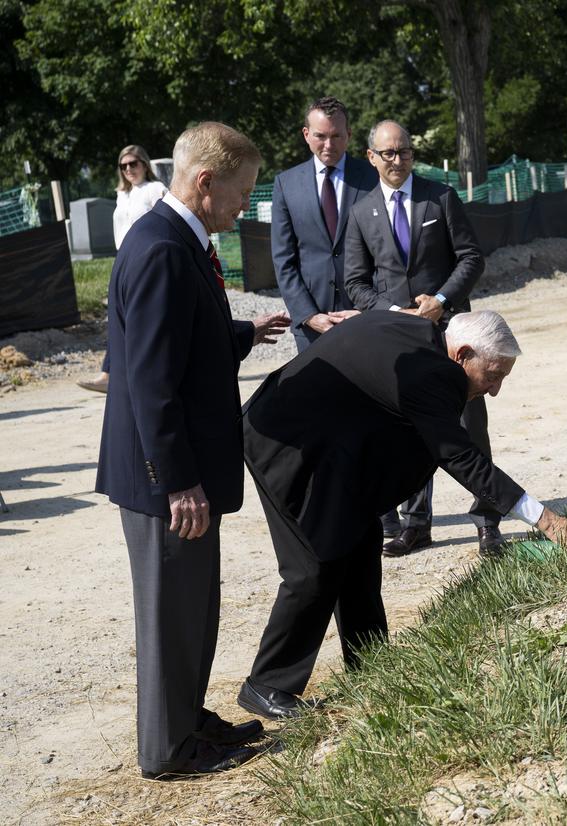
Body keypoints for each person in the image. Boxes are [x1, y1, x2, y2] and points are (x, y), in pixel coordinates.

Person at [236, 309, 567, 720]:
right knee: (315, 565)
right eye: (493, 375)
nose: (494, 390)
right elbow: (460, 456)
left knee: (359, 550)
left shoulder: (424, 335)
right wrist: (545, 520)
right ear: (463, 354)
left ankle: (371, 667)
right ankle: (267, 684)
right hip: (287, 445)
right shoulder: (431, 373)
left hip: (333, 453)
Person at [95, 122, 291, 780]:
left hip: (176, 473)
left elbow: (184, 335)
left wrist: (243, 332)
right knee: (170, 612)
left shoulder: (179, 238)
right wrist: (178, 481)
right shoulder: (160, 249)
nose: (245, 206)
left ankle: (187, 718)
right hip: (163, 480)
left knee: (192, 606)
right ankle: (169, 749)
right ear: (205, 183)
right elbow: (151, 383)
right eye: (241, 193)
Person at [344, 119, 500, 557]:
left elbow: (471, 258)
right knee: (410, 429)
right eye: (388, 153)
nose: (398, 160)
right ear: (371, 157)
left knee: (470, 427)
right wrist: (396, 314)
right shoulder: (360, 212)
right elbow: (356, 282)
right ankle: (416, 524)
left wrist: (443, 300)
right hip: (399, 340)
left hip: (452, 333)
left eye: (405, 152)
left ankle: (488, 519)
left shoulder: (441, 197)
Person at [271, 96, 379, 352]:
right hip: (312, 326)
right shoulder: (286, 184)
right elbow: (283, 259)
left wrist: (370, 307)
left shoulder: (373, 178)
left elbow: (385, 251)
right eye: (320, 136)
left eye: (337, 136)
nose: (329, 145)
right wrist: (308, 315)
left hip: (366, 316)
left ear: (349, 135)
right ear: (306, 134)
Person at [77, 145, 168, 394]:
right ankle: (111, 374)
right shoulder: (122, 194)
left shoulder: (156, 190)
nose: (129, 169)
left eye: (133, 163)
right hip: (123, 260)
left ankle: (119, 374)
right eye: (123, 165)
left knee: (142, 316)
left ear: (144, 164)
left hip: (146, 259)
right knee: (120, 317)